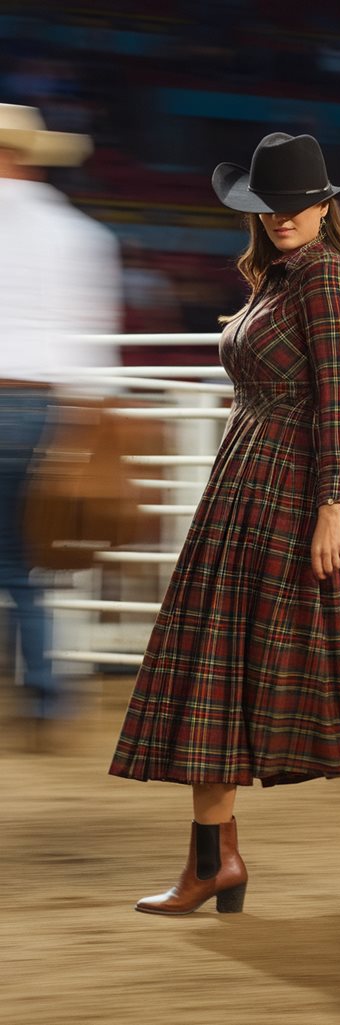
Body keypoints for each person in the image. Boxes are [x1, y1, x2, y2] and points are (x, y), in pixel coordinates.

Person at [109, 132, 340, 916]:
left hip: (289, 498)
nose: (282, 216)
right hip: (247, 493)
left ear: (325, 205)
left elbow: (337, 402)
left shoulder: (321, 279)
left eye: (296, 203)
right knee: (268, 673)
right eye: (269, 205)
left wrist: (327, 506)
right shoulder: (279, 279)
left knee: (251, 671)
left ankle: (238, 859)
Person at [0, 103, 120, 729]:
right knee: (20, 555)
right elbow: (90, 335)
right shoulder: (79, 233)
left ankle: (44, 688)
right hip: (42, 406)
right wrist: (82, 420)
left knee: (12, 554)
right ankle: (47, 691)